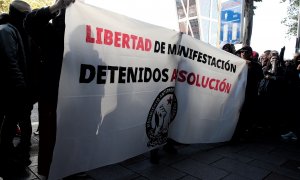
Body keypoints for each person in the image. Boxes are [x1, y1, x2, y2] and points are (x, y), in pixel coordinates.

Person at [24, 0, 75, 177]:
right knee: (50, 136)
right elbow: (29, 22)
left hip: (73, 98)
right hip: (52, 96)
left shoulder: (85, 42)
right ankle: (49, 170)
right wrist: (56, 7)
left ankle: (68, 168)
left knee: (70, 136)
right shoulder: (53, 35)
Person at [0, 0, 33, 177]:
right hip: (11, 88)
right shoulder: (7, 30)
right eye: (24, 16)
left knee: (12, 121)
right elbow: (10, 61)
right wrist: (21, 85)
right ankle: (5, 158)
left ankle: (9, 156)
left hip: (13, 86)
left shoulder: (12, 29)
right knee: (10, 122)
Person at [231, 46, 263, 142]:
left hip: (249, 94)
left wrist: (250, 67)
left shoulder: (256, 65)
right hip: (235, 93)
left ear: (250, 54)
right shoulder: (236, 63)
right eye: (241, 52)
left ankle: (238, 136)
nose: (243, 53)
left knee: (244, 115)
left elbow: (260, 77)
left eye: (245, 52)